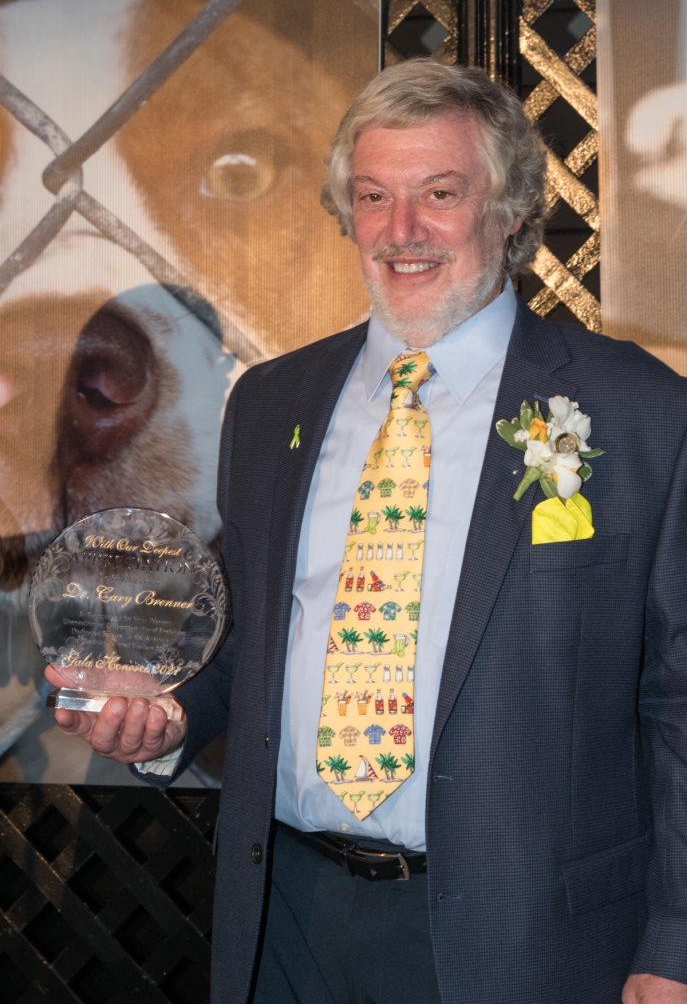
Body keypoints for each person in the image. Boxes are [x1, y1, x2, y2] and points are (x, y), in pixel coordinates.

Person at [47, 60, 687, 1004]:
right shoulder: (272, 401)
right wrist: (167, 712)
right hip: (289, 916)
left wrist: (675, 944)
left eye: (440, 193)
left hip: (525, 936)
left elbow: (678, 696)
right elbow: (251, 638)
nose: (401, 229)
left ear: (509, 211)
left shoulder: (637, 409)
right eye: (373, 196)